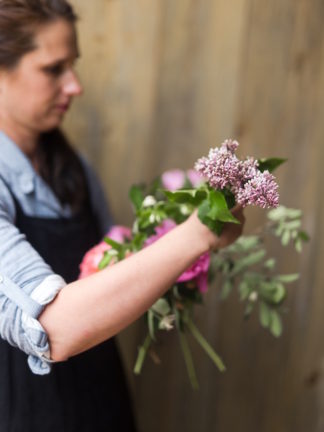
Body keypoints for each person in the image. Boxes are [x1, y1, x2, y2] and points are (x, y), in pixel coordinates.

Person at [0, 1, 245, 431]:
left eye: (73, 66)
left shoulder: (72, 169)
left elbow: (107, 272)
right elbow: (51, 329)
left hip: (99, 402)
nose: (74, 85)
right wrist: (195, 236)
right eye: (53, 69)